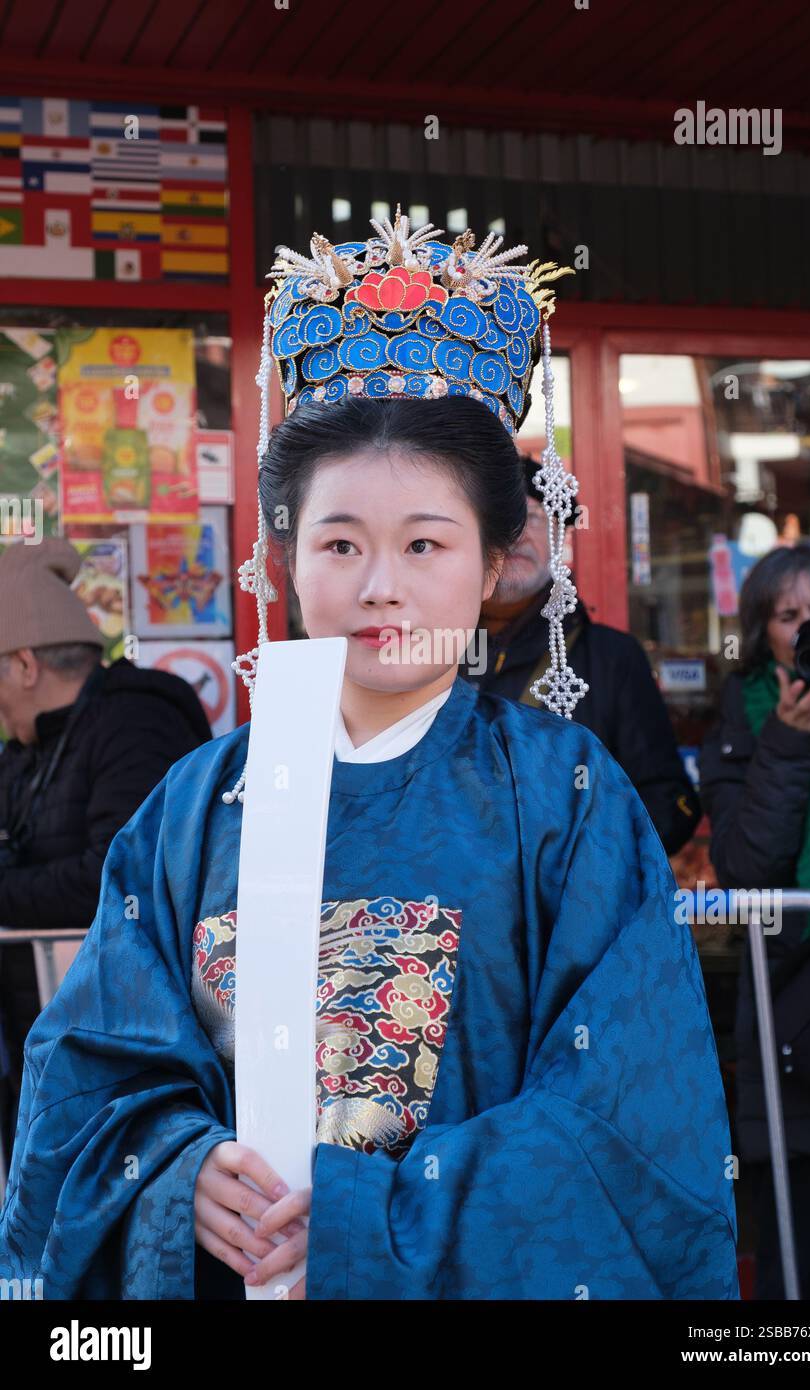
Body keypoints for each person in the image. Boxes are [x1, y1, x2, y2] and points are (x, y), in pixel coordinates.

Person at [0, 210, 738, 1300]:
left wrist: (360, 1222)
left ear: (493, 565)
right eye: (339, 541)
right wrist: (175, 1170)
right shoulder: (196, 801)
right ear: (285, 557)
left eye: (425, 544)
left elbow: (624, 1123)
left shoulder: (564, 798)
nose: (378, 583)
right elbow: (87, 1072)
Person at [0, 537, 213, 1159]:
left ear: (24, 665)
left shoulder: (136, 721)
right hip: (41, 1034)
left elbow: (116, 876)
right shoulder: (27, 747)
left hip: (120, 1042)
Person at [699, 542, 810, 1300]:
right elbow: (744, 868)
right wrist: (790, 744)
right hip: (804, 1016)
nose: (807, 633)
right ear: (761, 630)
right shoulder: (747, 715)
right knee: (796, 1271)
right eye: (786, 618)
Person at [460, 453, 701, 855]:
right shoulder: (428, 652)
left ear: (559, 535)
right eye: (503, 519)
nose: (517, 534)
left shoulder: (612, 658)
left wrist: (581, 873)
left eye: (534, 518)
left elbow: (668, 803)